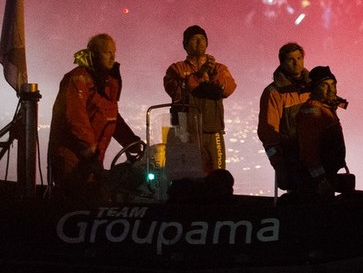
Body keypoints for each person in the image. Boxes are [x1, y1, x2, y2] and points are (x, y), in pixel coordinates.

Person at [48, 33, 143, 199]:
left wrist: (131, 142)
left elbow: (111, 116)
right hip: (72, 160)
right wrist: (90, 152)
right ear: (93, 54)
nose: (112, 56)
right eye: (107, 52)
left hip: (91, 160)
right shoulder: (78, 79)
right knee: (77, 204)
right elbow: (76, 118)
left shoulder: (106, 83)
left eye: (114, 52)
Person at [163, 25, 237, 174]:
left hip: (212, 130)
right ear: (185, 45)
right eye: (194, 39)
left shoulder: (218, 68)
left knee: (217, 175)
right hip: (184, 131)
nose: (199, 42)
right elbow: (175, 92)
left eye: (203, 39)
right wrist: (199, 77)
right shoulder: (176, 69)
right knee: (187, 175)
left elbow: (228, 89)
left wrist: (212, 76)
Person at [257, 42, 311, 189]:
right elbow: (268, 133)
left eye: (299, 58)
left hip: (315, 156)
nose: (296, 63)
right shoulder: (274, 93)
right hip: (292, 158)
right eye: (291, 59)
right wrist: (280, 167)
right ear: (282, 62)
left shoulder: (313, 87)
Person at [295, 65, 350, 199]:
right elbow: (308, 150)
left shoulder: (326, 107)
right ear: (314, 88)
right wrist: (320, 179)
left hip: (328, 174)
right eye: (324, 85)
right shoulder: (313, 111)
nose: (331, 89)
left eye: (333, 84)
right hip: (316, 182)